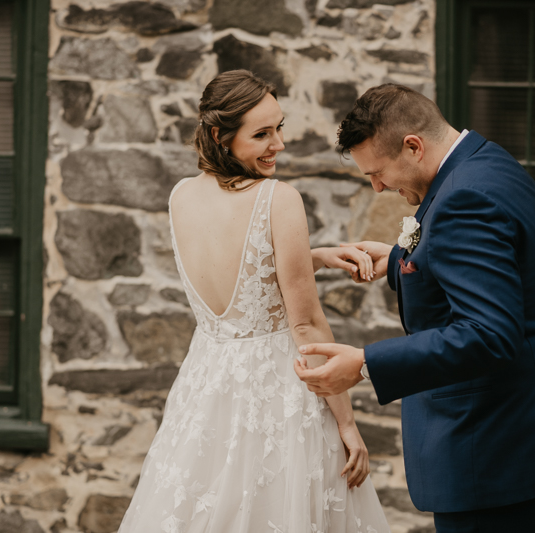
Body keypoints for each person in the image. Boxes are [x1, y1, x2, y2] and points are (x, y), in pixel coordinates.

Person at [295, 84, 535, 533]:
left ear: (414, 146)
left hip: (502, 459)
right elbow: (497, 271)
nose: (379, 187)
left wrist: (365, 365)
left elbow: (488, 333)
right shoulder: (485, 162)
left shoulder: (464, 200)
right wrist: (400, 261)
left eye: (378, 173)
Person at [117, 70, 390, 533]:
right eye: (261, 134)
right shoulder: (277, 199)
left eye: (279, 127)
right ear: (222, 138)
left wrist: (315, 258)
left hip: (207, 388)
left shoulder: (181, 195)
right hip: (278, 389)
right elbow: (305, 326)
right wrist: (346, 422)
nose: (278, 144)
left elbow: (240, 275)